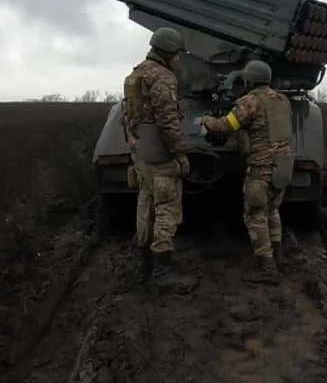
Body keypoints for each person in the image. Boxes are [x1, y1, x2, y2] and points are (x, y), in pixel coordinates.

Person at [199, 60, 294, 284]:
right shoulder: (282, 100)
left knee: (255, 214)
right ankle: (278, 258)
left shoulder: (250, 102)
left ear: (249, 80)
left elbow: (225, 126)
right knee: (272, 211)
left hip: (261, 167)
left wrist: (206, 120)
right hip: (283, 165)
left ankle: (267, 269)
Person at [122, 26, 197, 291]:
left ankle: (145, 261)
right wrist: (180, 154)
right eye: (178, 53)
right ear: (168, 52)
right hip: (160, 156)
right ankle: (162, 271)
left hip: (142, 154)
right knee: (167, 208)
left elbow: (128, 114)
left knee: (146, 203)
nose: (179, 58)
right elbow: (168, 122)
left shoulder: (136, 74)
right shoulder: (163, 78)